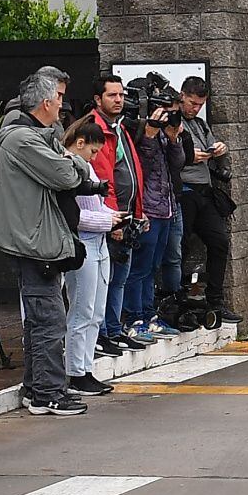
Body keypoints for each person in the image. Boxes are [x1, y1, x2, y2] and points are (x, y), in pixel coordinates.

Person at [0, 67, 89, 417]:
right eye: (59, 98)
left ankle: (36, 388)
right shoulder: (22, 139)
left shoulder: (35, 135)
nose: (63, 105)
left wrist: (68, 160)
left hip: (35, 238)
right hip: (34, 243)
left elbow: (66, 165)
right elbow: (66, 175)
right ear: (46, 102)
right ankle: (48, 392)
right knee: (48, 319)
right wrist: (75, 162)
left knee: (40, 319)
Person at [60, 114, 120, 397]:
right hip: (84, 242)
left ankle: (85, 367)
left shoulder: (86, 168)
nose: (96, 156)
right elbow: (75, 216)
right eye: (93, 150)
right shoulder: (70, 169)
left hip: (98, 242)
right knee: (81, 310)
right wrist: (109, 222)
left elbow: (96, 206)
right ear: (80, 143)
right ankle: (75, 371)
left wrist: (116, 217)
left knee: (95, 312)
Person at [86, 76, 147, 353]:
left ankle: (113, 328)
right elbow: (103, 177)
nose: (119, 100)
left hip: (126, 213)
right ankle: (103, 333)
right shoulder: (95, 128)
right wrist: (113, 219)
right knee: (107, 279)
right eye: (112, 95)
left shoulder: (118, 126)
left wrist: (138, 211)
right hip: (110, 217)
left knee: (119, 276)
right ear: (98, 99)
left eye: (121, 94)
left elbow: (133, 170)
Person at [176, 77, 237, 326]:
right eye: (191, 103)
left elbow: (219, 161)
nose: (195, 108)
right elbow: (165, 158)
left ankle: (215, 300)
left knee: (220, 242)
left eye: (200, 104)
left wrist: (219, 152)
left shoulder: (201, 125)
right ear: (181, 96)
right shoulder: (172, 123)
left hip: (205, 191)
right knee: (180, 246)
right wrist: (189, 158)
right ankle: (177, 299)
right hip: (184, 190)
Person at [131, 89, 186, 339]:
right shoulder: (142, 133)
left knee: (154, 266)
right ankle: (135, 317)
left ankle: (150, 314)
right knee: (140, 268)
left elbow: (178, 164)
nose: (170, 116)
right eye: (167, 111)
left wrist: (173, 139)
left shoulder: (166, 135)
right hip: (149, 209)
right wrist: (151, 135)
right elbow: (143, 165)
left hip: (167, 207)